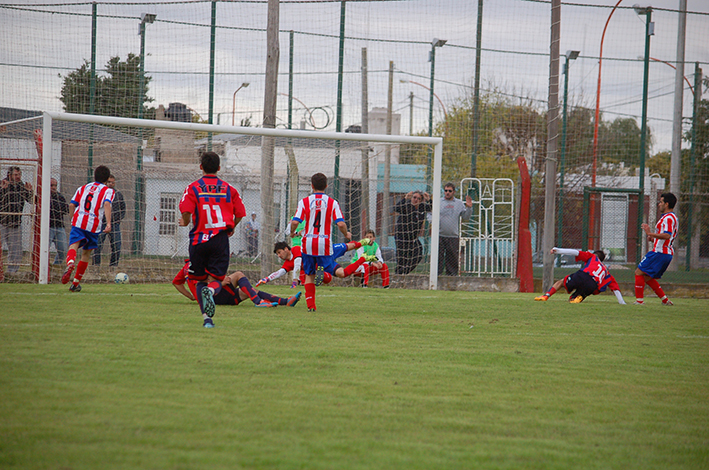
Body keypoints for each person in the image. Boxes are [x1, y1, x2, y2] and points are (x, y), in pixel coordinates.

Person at [179, 151, 246, 328]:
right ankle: (211, 291)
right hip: (219, 240)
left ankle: (207, 319)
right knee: (216, 279)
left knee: (200, 280)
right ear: (219, 167)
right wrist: (232, 226)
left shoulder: (192, 188)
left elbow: (185, 212)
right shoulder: (229, 189)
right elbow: (239, 213)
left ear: (201, 167)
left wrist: (185, 222)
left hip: (198, 241)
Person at [290, 172, 351, 312]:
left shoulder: (304, 201)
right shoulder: (332, 202)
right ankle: (326, 271)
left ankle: (311, 306)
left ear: (312, 186)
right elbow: (341, 224)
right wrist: (346, 233)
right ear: (326, 186)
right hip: (324, 243)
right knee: (336, 270)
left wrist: (293, 232)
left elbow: (295, 221)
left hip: (308, 243)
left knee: (309, 275)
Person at [61, 165, 114, 292]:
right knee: (86, 254)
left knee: (73, 246)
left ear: (94, 176)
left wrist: (72, 218)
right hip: (93, 225)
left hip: (79, 221)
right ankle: (75, 283)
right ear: (107, 178)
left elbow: (72, 204)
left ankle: (70, 264)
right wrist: (108, 223)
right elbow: (107, 203)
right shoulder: (108, 190)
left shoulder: (83, 187)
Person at [173, 261, 301, 311]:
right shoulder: (198, 266)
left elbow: (176, 282)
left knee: (250, 290)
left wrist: (191, 297)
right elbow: (204, 286)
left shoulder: (187, 267)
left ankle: (285, 302)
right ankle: (258, 302)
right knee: (239, 275)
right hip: (213, 298)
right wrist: (221, 283)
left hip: (220, 297)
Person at [257, 238, 370, 289]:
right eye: (277, 254)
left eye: (279, 252)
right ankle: (363, 258)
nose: (279, 256)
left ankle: (362, 243)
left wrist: (295, 282)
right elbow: (280, 272)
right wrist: (266, 279)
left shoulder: (296, 250)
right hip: (324, 262)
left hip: (326, 251)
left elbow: (297, 264)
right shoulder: (287, 263)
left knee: (351, 246)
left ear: (286, 249)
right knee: (340, 274)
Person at [534, 247, 626, 304]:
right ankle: (578, 297)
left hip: (583, 275)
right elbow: (615, 289)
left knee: (561, 282)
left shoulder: (592, 257)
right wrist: (622, 302)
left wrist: (558, 250)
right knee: (572, 299)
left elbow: (575, 252)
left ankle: (546, 296)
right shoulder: (606, 271)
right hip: (593, 285)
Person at [634, 192, 678, 306]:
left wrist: (650, 233)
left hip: (660, 252)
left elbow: (667, 235)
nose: (659, 204)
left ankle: (639, 301)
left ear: (667, 204)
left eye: (661, 202)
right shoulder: (671, 217)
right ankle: (665, 300)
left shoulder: (668, 218)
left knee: (639, 272)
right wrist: (653, 239)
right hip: (664, 252)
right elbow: (668, 237)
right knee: (647, 277)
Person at [0, 166, 34, 273]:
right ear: (9, 175)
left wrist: (30, 191)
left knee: (16, 251)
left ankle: (11, 273)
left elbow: (32, 200)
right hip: (2, 222)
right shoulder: (2, 184)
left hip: (15, 224)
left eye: (19, 174)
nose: (18, 177)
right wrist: (2, 190)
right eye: (16, 175)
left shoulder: (21, 186)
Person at [393, 190, 431, 275]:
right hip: (401, 236)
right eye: (414, 197)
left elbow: (433, 208)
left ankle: (403, 272)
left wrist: (429, 200)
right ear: (411, 198)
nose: (416, 200)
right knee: (402, 258)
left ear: (421, 200)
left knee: (418, 253)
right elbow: (396, 208)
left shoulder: (422, 207)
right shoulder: (406, 205)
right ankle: (398, 275)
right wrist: (405, 198)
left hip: (412, 238)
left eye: (418, 198)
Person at [439, 183, 473, 275]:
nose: (447, 193)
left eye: (450, 191)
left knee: (452, 259)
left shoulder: (459, 203)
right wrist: (431, 221)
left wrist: (469, 208)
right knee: (438, 258)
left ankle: (451, 278)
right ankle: (436, 276)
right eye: (446, 190)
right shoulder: (439, 202)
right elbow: (430, 213)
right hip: (439, 235)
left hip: (453, 236)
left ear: (453, 192)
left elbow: (466, 217)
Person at [93, 174, 126, 267]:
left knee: (116, 246)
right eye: (109, 182)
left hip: (114, 224)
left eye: (113, 182)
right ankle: (96, 265)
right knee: (97, 245)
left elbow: (123, 209)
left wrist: (117, 220)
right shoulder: (100, 193)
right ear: (105, 182)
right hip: (101, 223)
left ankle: (113, 266)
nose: (111, 184)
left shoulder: (118, 194)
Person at [49, 178, 69, 265]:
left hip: (59, 226)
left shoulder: (60, 197)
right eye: (51, 185)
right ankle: (43, 267)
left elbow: (66, 209)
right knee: (44, 250)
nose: (53, 187)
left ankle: (56, 265)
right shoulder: (43, 196)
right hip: (48, 227)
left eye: (55, 185)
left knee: (63, 250)